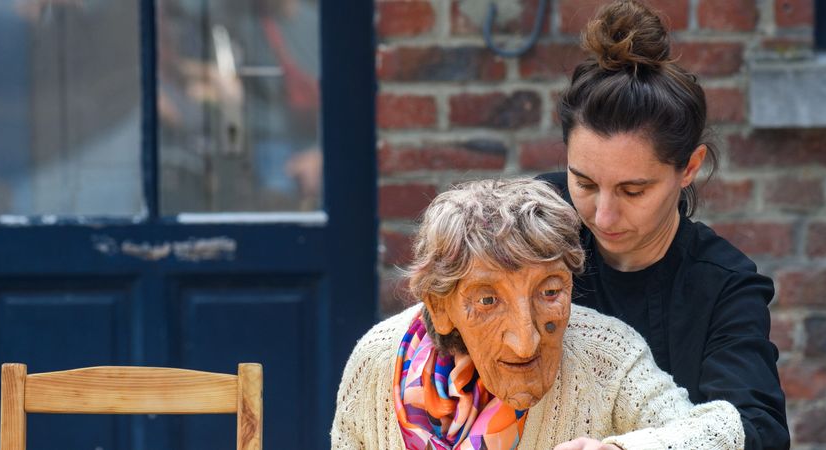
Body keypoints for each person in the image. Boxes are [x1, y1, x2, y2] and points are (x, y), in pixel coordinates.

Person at [537, 1, 789, 449]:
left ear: (689, 168)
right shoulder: (535, 218)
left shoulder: (724, 287)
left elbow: (759, 432)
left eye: (633, 191)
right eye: (585, 183)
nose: (603, 216)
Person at [331, 179, 744, 450]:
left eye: (549, 291)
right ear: (441, 308)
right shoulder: (378, 361)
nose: (526, 340)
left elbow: (722, 434)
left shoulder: (606, 355)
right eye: (488, 301)